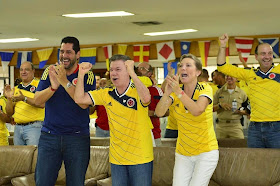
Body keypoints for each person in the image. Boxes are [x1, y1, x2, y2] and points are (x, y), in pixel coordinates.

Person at [74, 54, 154, 186]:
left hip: (140, 157)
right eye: (111, 70)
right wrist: (81, 75)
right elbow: (79, 99)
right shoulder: (106, 93)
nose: (113, 73)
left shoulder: (137, 90)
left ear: (127, 71)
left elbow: (146, 99)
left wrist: (133, 74)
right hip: (117, 159)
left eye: (118, 69)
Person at [34, 36, 96, 186]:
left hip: (77, 138)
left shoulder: (86, 74)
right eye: (62, 52)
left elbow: (83, 104)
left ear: (78, 54)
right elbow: (37, 100)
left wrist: (64, 82)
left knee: (76, 182)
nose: (64, 56)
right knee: (42, 182)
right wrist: (53, 87)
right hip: (49, 137)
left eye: (68, 52)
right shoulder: (50, 71)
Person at [155, 54, 218, 186]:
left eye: (188, 65)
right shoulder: (175, 93)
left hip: (205, 152)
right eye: (181, 66)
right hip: (183, 153)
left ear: (198, 72)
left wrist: (178, 92)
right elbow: (159, 112)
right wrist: (167, 93)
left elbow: (197, 110)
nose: (183, 68)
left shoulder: (205, 88)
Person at [217, 33, 280, 148]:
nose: (267, 56)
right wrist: (222, 46)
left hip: (277, 128)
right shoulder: (250, 74)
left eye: (270, 53)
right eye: (263, 53)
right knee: (254, 162)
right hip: (254, 128)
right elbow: (222, 66)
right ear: (256, 57)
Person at [5, 61, 44, 145]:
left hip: (34, 127)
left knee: (34, 155)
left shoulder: (40, 85)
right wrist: (8, 98)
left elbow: (42, 104)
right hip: (18, 128)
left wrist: (24, 99)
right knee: (19, 157)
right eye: (21, 70)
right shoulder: (16, 88)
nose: (23, 72)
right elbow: (9, 113)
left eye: (26, 69)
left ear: (33, 71)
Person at [137, 62, 163, 146]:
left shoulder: (155, 89)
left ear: (149, 74)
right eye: (138, 68)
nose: (139, 70)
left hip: (153, 133)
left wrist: (151, 113)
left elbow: (166, 112)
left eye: (142, 69)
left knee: (156, 158)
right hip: (134, 134)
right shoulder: (130, 87)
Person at [213, 75, 247, 139]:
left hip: (236, 126)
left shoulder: (242, 93)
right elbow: (210, 108)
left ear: (236, 78)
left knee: (240, 147)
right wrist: (220, 105)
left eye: (232, 76)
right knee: (221, 148)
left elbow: (248, 111)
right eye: (227, 76)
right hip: (221, 126)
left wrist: (240, 111)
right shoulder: (219, 92)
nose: (229, 77)